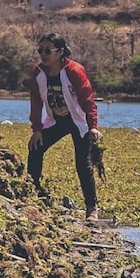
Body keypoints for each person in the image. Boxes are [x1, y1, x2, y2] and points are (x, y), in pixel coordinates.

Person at [27, 33, 103, 222]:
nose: (43, 55)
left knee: (82, 164)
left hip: (77, 121)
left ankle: (92, 208)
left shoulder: (74, 71)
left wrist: (93, 127)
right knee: (35, 148)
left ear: (60, 52)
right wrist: (36, 129)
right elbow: (36, 102)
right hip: (56, 121)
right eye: (40, 50)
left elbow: (88, 101)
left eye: (48, 51)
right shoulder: (39, 73)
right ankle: (35, 191)